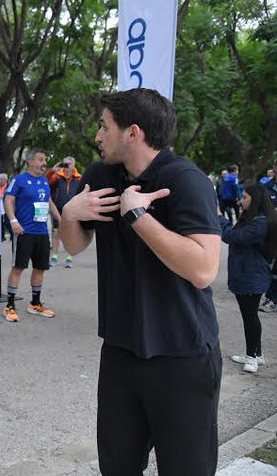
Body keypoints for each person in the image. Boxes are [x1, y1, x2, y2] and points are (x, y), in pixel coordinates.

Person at [60, 88, 222, 475]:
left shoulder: (185, 180)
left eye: (104, 127)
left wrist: (138, 217)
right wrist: (69, 214)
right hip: (120, 350)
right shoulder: (101, 175)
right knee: (116, 467)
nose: (97, 136)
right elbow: (75, 246)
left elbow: (203, 269)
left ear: (133, 133)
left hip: (181, 354)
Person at [220, 183, 277, 373]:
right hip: (247, 275)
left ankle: (252, 357)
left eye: (244, 197)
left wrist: (219, 217)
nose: (240, 200)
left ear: (255, 199)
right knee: (248, 315)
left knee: (250, 316)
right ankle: (255, 353)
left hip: (253, 276)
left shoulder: (260, 222)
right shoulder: (252, 218)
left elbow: (233, 237)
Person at [2, 149, 61, 322]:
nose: (44, 163)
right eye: (41, 159)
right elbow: (8, 200)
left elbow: (48, 202)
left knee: (40, 268)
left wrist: (60, 219)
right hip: (24, 232)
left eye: (45, 159)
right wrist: (13, 222)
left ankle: (35, 303)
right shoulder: (19, 180)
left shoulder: (44, 181)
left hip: (42, 232)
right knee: (18, 267)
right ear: (30, 161)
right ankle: (10, 305)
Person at [46, 157, 82, 268]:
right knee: (57, 233)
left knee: (71, 234)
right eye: (65, 164)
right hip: (58, 208)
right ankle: (54, 257)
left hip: (73, 209)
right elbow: (45, 182)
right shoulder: (56, 177)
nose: (67, 166)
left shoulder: (79, 178)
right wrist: (52, 170)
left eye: (70, 164)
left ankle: (69, 258)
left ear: (74, 165)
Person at [260, 163, 277, 312]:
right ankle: (271, 297)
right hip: (272, 232)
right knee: (271, 266)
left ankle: (272, 297)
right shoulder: (267, 187)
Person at [0, 173, 11, 241]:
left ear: (5, 180)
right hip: (0, 206)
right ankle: (2, 236)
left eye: (1, 179)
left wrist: (3, 196)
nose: (0, 181)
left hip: (6, 206)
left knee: (7, 221)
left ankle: (12, 234)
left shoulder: (8, 186)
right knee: (1, 222)